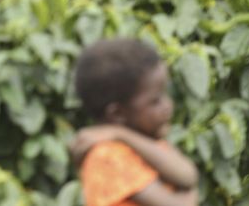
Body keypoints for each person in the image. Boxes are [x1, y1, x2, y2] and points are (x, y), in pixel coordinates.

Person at [71, 38, 199, 206]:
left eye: (165, 94)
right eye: (155, 101)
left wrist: (120, 134)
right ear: (117, 113)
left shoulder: (139, 142)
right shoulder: (106, 157)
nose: (168, 105)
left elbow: (188, 175)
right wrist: (191, 194)